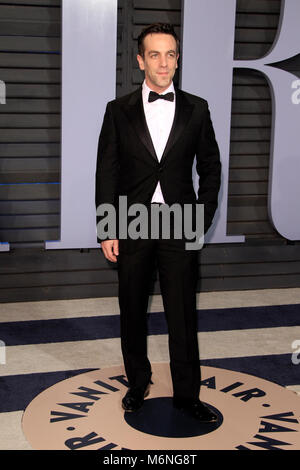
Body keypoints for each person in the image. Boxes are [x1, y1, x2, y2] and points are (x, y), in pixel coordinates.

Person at [95, 23, 221, 422]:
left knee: (182, 312)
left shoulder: (198, 109)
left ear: (177, 59)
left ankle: (187, 394)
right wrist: (107, 227)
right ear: (140, 61)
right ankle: (137, 383)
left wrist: (201, 217)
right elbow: (107, 173)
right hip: (132, 221)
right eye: (154, 54)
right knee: (132, 308)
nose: (163, 62)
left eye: (170, 54)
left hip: (181, 221)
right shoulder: (118, 111)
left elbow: (212, 168)